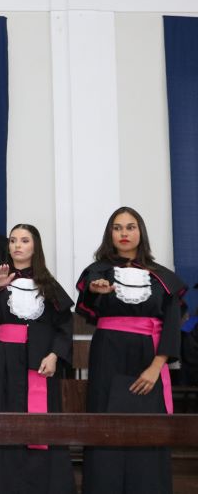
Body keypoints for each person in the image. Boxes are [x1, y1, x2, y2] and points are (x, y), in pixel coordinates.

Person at [76, 206, 185, 494]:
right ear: (110, 234)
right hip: (107, 355)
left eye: (130, 227)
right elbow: (87, 299)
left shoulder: (162, 277)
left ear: (141, 232)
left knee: (148, 428)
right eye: (118, 228)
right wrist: (95, 290)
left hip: (149, 358)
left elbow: (172, 325)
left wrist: (156, 367)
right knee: (105, 423)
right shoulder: (98, 272)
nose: (124, 233)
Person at [0, 224, 75, 494]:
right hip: (5, 363)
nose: (17, 245)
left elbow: (64, 327)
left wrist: (54, 355)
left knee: (42, 426)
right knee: (5, 425)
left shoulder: (48, 285)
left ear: (35, 247)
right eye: (13, 240)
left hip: (39, 362)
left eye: (24, 240)